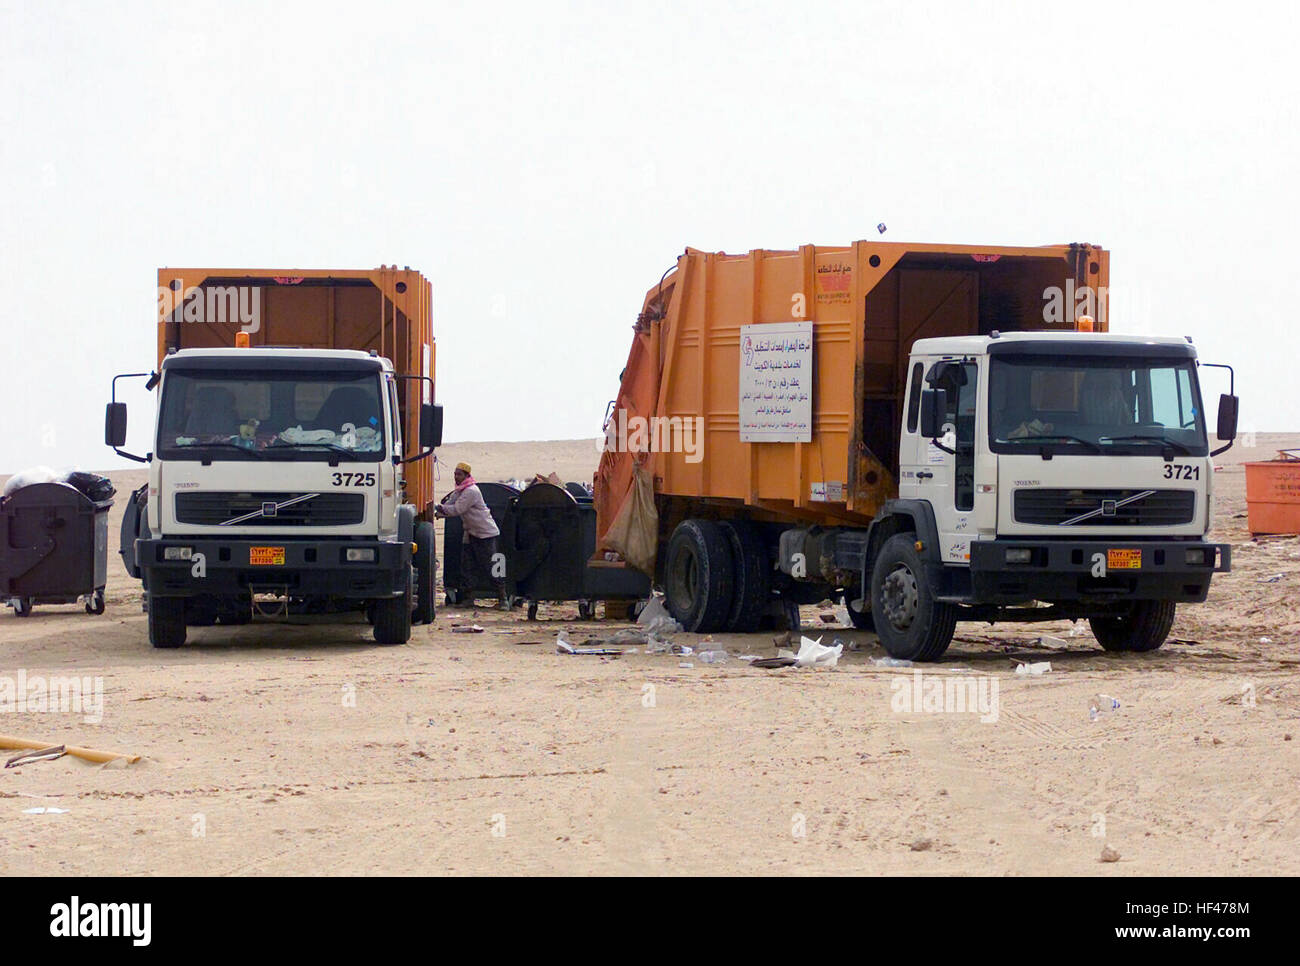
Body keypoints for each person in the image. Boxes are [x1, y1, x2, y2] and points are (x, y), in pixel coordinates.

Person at [435, 462, 509, 610]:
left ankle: (503, 599)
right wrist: (439, 512)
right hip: (470, 532)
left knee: (491, 567)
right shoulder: (460, 491)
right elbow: (451, 505)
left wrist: (438, 508)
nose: (456, 477)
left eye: (459, 474)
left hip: (485, 534)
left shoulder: (471, 491)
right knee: (467, 567)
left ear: (467, 476)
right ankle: (468, 599)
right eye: (455, 474)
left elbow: (457, 509)